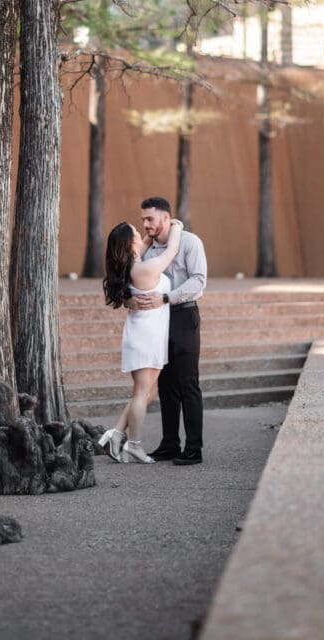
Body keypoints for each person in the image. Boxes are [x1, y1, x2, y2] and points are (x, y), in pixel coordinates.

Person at [99, 217, 184, 464]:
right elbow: (172, 250)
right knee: (141, 394)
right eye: (137, 232)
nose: (142, 234)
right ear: (131, 242)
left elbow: (144, 244)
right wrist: (175, 225)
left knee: (149, 393)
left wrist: (151, 231)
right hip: (146, 337)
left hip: (147, 334)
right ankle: (133, 445)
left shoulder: (130, 266)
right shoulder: (144, 269)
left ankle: (115, 434)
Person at [133, 196, 207, 466]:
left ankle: (194, 449)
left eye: (149, 219)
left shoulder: (190, 242)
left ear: (166, 218)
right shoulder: (150, 250)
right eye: (143, 219)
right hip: (158, 319)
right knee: (165, 384)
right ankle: (170, 444)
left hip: (184, 315)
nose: (146, 224)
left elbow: (198, 282)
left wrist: (166, 298)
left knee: (187, 383)